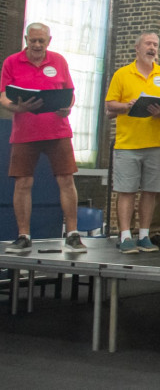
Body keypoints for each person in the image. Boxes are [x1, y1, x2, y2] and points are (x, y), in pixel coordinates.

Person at [1, 22, 86, 254]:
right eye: (33, 40)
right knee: (23, 183)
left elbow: (70, 93)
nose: (37, 45)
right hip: (25, 132)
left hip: (57, 130)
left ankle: (72, 234)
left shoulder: (58, 61)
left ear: (49, 40)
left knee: (66, 180)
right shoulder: (11, 62)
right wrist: (15, 108)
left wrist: (67, 108)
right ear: (26, 39)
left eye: (42, 41)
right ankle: (23, 236)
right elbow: (3, 96)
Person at [105, 32, 160, 254]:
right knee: (126, 191)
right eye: (148, 43)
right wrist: (128, 105)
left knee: (150, 191)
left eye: (155, 44)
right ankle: (126, 236)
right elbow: (109, 105)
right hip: (127, 144)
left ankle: (145, 235)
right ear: (137, 48)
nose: (152, 48)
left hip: (155, 144)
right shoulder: (122, 74)